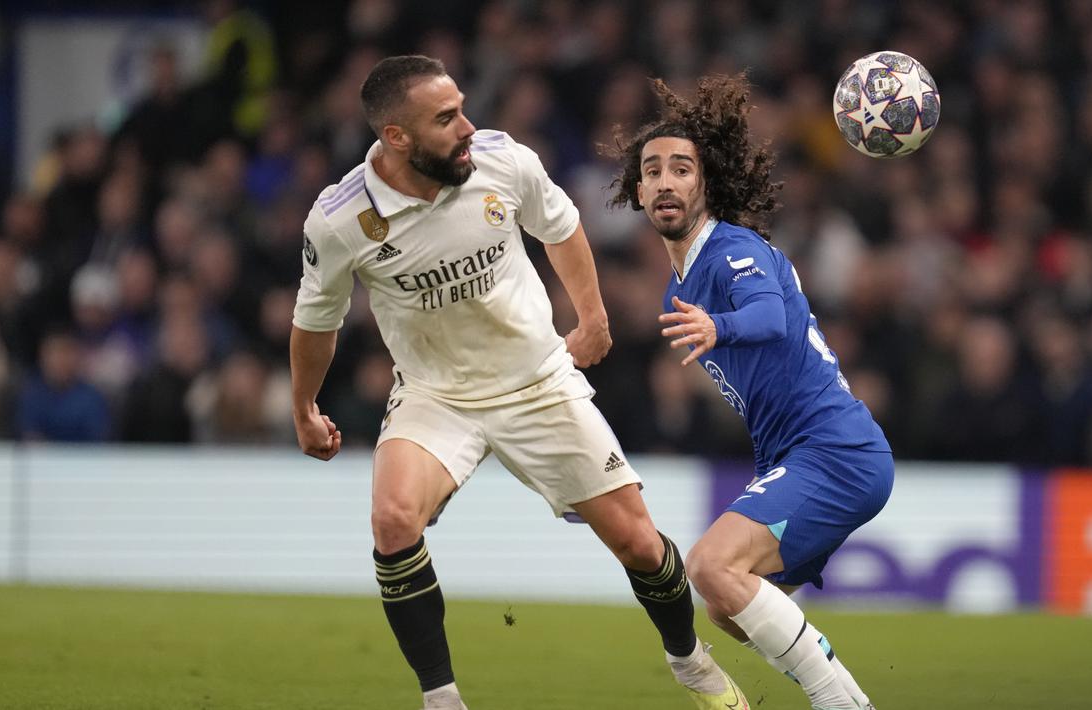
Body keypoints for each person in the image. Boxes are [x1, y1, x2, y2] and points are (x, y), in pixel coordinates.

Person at [289, 55, 748, 710]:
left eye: (462, 106)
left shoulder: (503, 161)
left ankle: (688, 659)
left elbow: (558, 228)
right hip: (435, 394)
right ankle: (441, 699)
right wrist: (304, 405)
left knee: (639, 544)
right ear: (397, 137)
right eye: (445, 118)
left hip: (536, 380)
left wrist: (590, 317)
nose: (467, 126)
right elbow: (315, 321)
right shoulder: (340, 220)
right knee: (393, 520)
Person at [606, 73, 895, 710]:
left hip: (835, 450)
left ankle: (839, 704)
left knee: (710, 564)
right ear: (636, 190)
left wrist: (720, 325)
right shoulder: (678, 285)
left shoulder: (733, 251)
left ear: (705, 184)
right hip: (801, 456)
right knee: (724, 608)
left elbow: (769, 319)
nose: (664, 181)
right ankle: (846, 697)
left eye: (682, 168)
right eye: (650, 171)